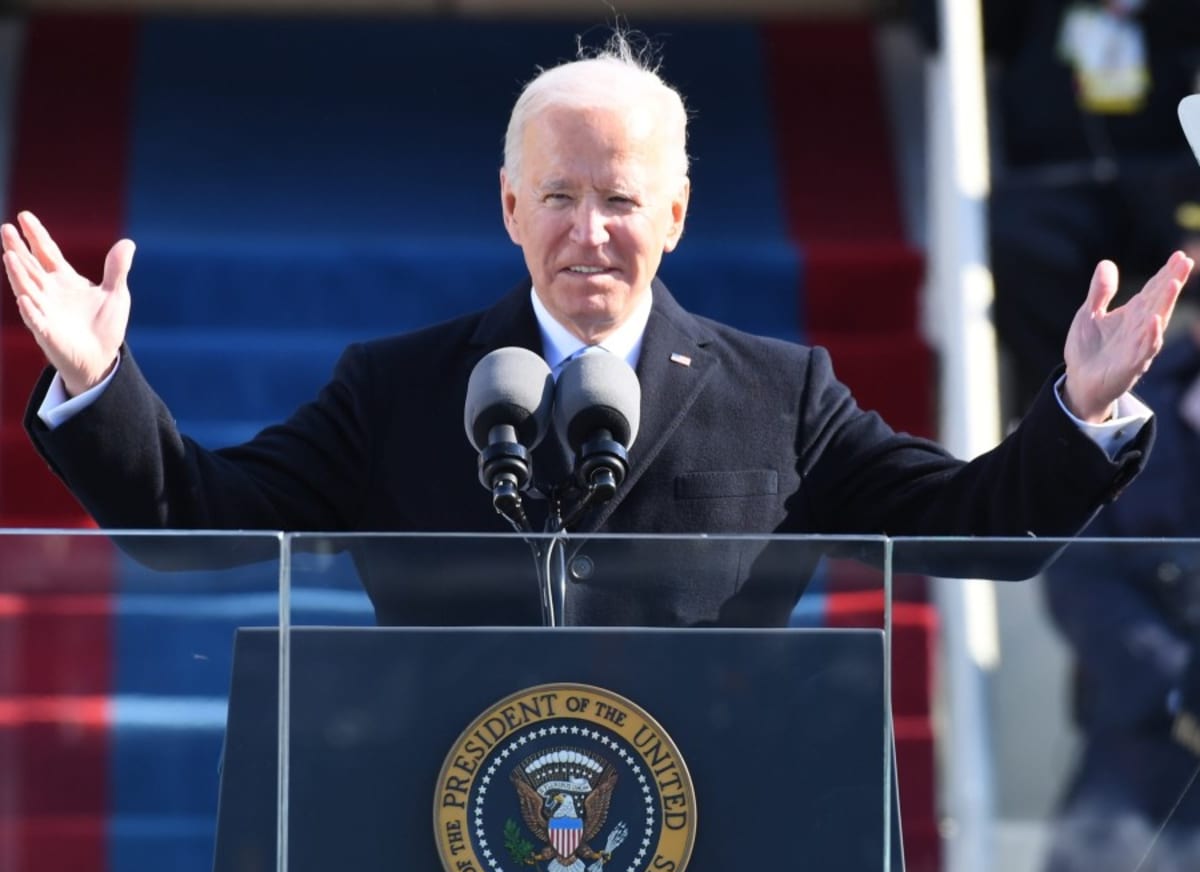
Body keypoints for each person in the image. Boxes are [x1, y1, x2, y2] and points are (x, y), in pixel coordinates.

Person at [0, 33, 1193, 626]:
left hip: (714, 828)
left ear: (673, 213)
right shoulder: (397, 390)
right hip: (435, 824)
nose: (589, 231)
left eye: (621, 199)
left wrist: (1081, 411)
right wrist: (103, 386)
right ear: (510, 205)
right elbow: (200, 525)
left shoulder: (782, 395)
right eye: (560, 197)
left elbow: (979, 534)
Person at [913, 0, 1200, 421]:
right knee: (1013, 243)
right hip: (1053, 188)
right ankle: (1072, 412)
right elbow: (936, 27)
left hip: (1169, 188)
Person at [1036, 323, 1200, 872]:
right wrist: (1180, 686)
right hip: (1139, 730)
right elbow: (1078, 571)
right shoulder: (1124, 410)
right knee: (1096, 869)